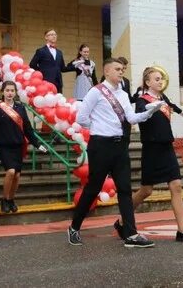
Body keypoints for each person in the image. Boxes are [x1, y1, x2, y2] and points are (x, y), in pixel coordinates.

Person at [68, 58, 163, 248]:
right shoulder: (96, 92)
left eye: (122, 69)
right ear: (107, 71)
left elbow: (131, 118)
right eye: (117, 69)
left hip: (120, 147)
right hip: (101, 145)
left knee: (125, 190)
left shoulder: (123, 94)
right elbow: (81, 118)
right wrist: (99, 128)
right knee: (93, 189)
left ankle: (131, 234)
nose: (121, 72)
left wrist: (149, 112)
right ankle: (74, 227)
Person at [120, 67, 183, 243]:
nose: (160, 81)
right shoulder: (142, 100)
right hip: (152, 149)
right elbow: (141, 112)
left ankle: (182, 231)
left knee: (176, 185)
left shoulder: (163, 98)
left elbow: (174, 107)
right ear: (148, 82)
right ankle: (121, 221)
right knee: (146, 191)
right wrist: (152, 106)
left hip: (167, 146)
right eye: (156, 79)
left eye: (161, 79)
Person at [0, 81, 47, 213]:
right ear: (2, 92)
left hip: (18, 146)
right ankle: (4, 199)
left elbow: (28, 129)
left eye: (12, 91)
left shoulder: (20, 108)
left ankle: (11, 199)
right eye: (7, 90)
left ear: (15, 93)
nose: (9, 93)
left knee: (17, 176)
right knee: (11, 172)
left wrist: (37, 144)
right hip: (4, 146)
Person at [29, 28, 72, 94]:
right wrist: (42, 73)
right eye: (51, 34)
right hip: (45, 82)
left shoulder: (59, 52)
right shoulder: (41, 51)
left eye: (55, 34)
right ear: (46, 37)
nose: (54, 36)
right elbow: (32, 65)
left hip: (58, 83)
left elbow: (62, 68)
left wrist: (74, 66)